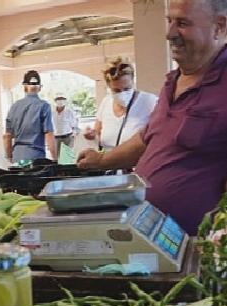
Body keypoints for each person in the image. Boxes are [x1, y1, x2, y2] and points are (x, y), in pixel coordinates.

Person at [78, 0, 227, 235]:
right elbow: (147, 138)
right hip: (149, 237)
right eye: (169, 21)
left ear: (219, 26)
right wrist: (102, 160)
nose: (169, 34)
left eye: (183, 23)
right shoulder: (172, 82)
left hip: (194, 246)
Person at [83, 58, 158, 151]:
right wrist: (91, 136)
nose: (122, 94)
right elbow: (97, 134)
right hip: (108, 162)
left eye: (127, 89)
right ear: (109, 87)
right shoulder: (106, 102)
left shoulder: (150, 102)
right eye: (116, 90)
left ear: (133, 82)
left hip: (137, 163)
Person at [3, 70, 57, 163]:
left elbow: (7, 137)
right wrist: (55, 159)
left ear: (24, 86)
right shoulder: (44, 106)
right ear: (40, 87)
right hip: (36, 159)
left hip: (17, 157)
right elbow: (49, 135)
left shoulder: (14, 107)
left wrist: (9, 158)